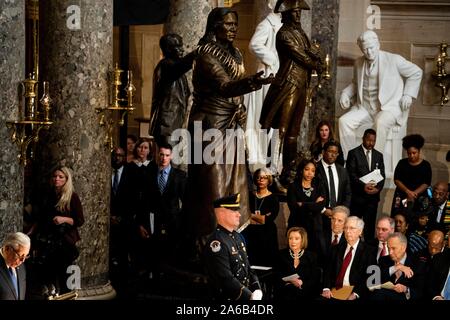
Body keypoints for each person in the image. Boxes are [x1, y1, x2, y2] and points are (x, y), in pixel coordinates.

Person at [185, 7, 274, 237]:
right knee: (212, 186)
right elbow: (224, 86)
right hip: (210, 126)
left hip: (232, 122)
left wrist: (242, 107)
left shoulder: (235, 54)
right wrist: (252, 83)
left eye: (235, 24)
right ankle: (206, 239)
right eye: (228, 24)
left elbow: (234, 92)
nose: (234, 29)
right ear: (215, 26)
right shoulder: (205, 54)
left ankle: (230, 240)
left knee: (234, 184)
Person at [259, 0, 323, 187]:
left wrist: (316, 58)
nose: (298, 15)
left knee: (293, 132)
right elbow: (301, 56)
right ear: (286, 14)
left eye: (299, 12)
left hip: (301, 84)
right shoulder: (284, 34)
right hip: (288, 83)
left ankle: (288, 172)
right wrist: (315, 63)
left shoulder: (300, 32)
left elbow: (311, 50)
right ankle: (271, 171)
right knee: (281, 130)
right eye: (294, 12)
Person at [338, 30, 423, 160]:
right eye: (365, 49)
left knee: (380, 121)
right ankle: (350, 160)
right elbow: (355, 84)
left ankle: (375, 162)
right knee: (344, 121)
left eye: (371, 48)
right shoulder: (358, 63)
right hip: (365, 108)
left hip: (388, 108)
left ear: (378, 45)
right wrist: (345, 93)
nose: (369, 52)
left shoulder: (394, 60)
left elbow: (416, 72)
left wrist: (408, 95)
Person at [243, 0, 282, 173]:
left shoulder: (284, 24)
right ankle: (261, 163)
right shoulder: (267, 24)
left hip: (280, 77)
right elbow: (254, 44)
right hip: (268, 75)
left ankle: (274, 164)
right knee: (265, 121)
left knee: (278, 124)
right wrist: (272, 59)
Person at [136, 143, 187, 275]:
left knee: (171, 258)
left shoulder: (179, 176)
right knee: (153, 256)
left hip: (173, 223)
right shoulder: (148, 174)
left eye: (167, 155)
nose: (164, 158)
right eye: (162, 155)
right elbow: (143, 202)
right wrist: (141, 224)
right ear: (158, 155)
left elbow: (186, 201)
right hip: (153, 222)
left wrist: (181, 222)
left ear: (171, 157)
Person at [33, 166, 84, 294]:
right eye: (55, 176)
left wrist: (64, 219)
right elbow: (41, 217)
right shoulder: (48, 194)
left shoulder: (72, 196)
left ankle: (67, 296)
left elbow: (79, 221)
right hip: (49, 240)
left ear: (67, 179)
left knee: (64, 275)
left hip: (64, 241)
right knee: (48, 276)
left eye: (61, 177)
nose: (57, 179)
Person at [203, 193, 263, 300]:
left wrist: (256, 288)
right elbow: (225, 277)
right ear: (221, 214)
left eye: (238, 211)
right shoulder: (217, 242)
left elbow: (248, 267)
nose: (239, 215)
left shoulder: (238, 237)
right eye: (234, 211)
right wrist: (249, 295)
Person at [149, 33, 196, 147]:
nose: (182, 50)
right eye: (178, 47)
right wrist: (198, 52)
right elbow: (181, 66)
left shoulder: (174, 67)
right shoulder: (166, 65)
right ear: (168, 49)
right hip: (166, 124)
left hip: (174, 123)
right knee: (167, 157)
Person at [321, 216, 376, 300]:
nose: (347, 231)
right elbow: (327, 271)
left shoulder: (369, 252)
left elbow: (371, 277)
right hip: (333, 291)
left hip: (354, 292)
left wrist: (356, 294)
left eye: (352, 228)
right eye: (346, 228)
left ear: (360, 231)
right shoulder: (335, 248)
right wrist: (326, 288)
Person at [346, 128, 385, 239]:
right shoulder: (353, 153)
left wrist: (377, 189)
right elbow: (351, 174)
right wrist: (363, 186)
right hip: (357, 198)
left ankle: (368, 253)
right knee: (354, 227)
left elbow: (382, 175)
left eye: (373, 141)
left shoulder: (379, 155)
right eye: (369, 140)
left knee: (369, 229)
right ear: (363, 138)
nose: (371, 143)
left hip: (372, 199)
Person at [287, 158, 326, 254]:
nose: (310, 173)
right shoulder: (293, 186)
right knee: (297, 254)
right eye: (307, 169)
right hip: (297, 226)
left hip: (315, 227)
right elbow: (294, 208)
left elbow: (321, 206)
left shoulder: (319, 185)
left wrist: (303, 204)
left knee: (313, 256)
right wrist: (314, 203)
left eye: (313, 171)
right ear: (301, 170)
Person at [242, 168, 279, 267]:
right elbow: (244, 216)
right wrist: (261, 218)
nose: (261, 180)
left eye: (264, 178)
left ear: (269, 180)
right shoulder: (250, 196)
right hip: (252, 235)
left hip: (268, 235)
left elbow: (267, 220)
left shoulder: (273, 198)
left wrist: (251, 215)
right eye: (258, 177)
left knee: (267, 265)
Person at [374, 232, 427, 301]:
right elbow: (375, 281)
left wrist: (405, 289)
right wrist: (396, 267)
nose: (390, 252)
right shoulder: (384, 260)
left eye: (393, 248)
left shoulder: (418, 264)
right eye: (388, 248)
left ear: (403, 247)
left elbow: (420, 292)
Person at [274, 227, 320, 300]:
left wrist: (302, 282)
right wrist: (289, 282)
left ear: (302, 240)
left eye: (296, 238)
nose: (293, 241)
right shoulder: (281, 255)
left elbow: (314, 278)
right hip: (285, 291)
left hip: (305, 291)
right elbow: (276, 275)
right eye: (290, 238)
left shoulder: (312, 256)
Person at [315, 141, 352, 232]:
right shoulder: (315, 169)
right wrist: (323, 210)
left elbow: (347, 193)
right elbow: (313, 192)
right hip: (319, 215)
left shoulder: (342, 171)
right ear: (323, 152)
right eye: (330, 151)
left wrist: (342, 211)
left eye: (335, 153)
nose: (333, 155)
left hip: (338, 217)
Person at [392, 134, 432, 214]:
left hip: (419, 196)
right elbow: (397, 180)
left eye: (414, 153)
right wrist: (408, 192)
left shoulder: (426, 165)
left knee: (415, 219)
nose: (412, 155)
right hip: (402, 195)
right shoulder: (402, 163)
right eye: (409, 153)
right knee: (400, 216)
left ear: (419, 151)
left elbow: (426, 183)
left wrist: (414, 194)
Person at [0, 232, 31, 300]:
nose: (23, 260)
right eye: (20, 256)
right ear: (7, 249)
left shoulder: (22, 267)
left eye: (26, 256)